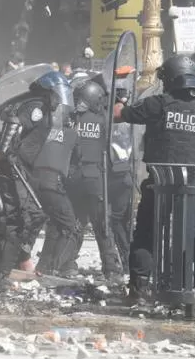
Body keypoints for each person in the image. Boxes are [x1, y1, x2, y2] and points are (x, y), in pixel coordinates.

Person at [114, 55, 195, 305]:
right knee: (189, 235)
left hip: (160, 181)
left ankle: (140, 289)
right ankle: (184, 285)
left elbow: (118, 115)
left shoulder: (158, 104)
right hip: (194, 186)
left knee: (146, 233)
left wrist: (119, 99)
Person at [16, 72, 81, 277]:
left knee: (43, 222)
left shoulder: (49, 123)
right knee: (67, 224)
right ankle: (50, 269)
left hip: (37, 178)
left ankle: (37, 264)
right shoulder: (37, 113)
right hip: (44, 179)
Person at [67, 79, 122, 282]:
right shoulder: (102, 120)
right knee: (102, 224)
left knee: (76, 222)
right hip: (95, 176)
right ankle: (112, 269)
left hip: (73, 176)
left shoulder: (71, 119)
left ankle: (67, 264)